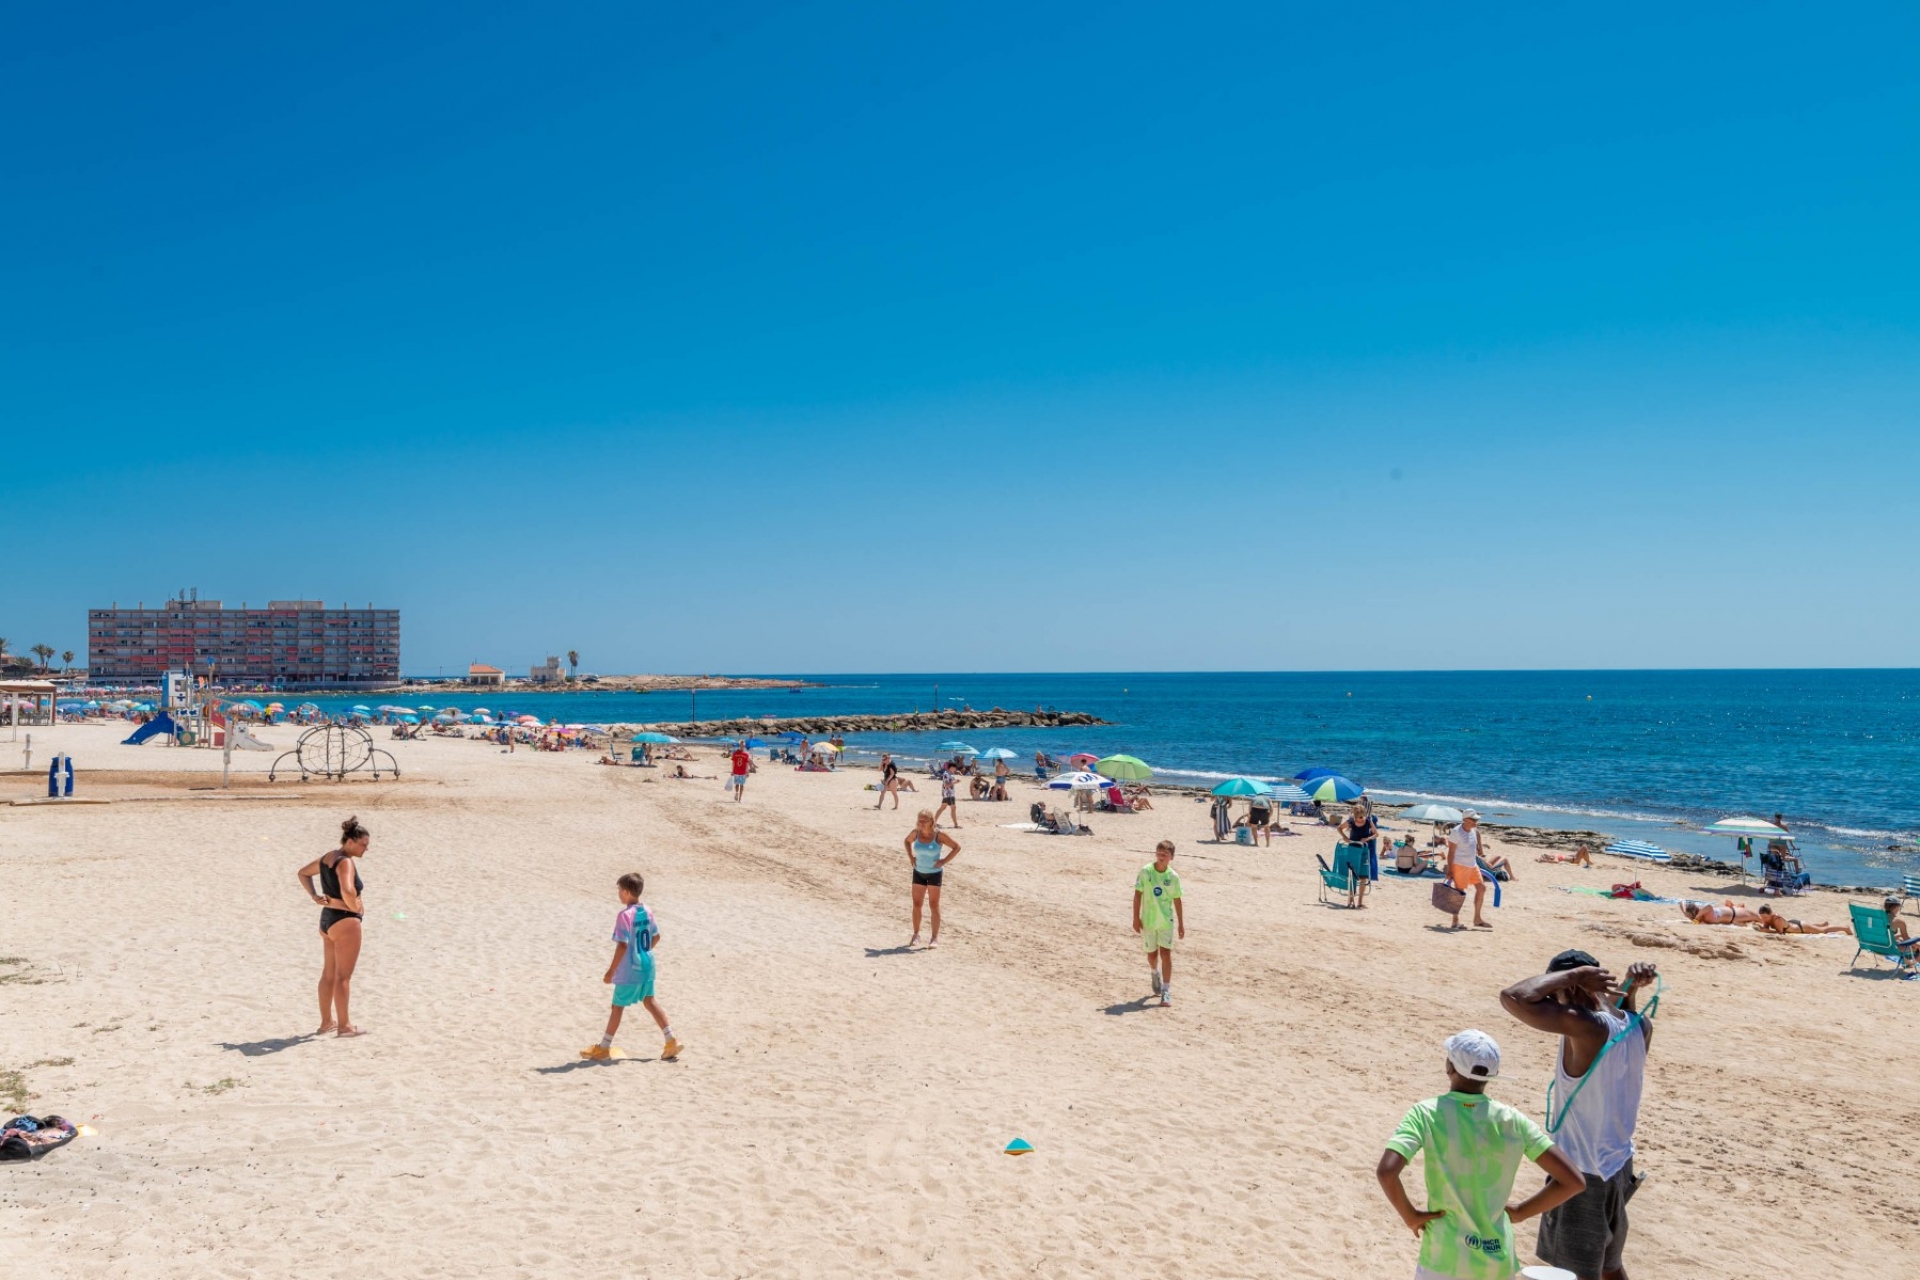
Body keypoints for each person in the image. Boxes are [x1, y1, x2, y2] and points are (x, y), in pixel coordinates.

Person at [1377, 1029, 1586, 1280]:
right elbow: (1573, 1181)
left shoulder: (1426, 1114)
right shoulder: (1513, 1120)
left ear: (1449, 1067)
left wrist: (1410, 1216)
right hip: (1497, 1262)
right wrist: (1521, 1211)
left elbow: (1387, 1172)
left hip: (1444, 1259)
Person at [1500, 951, 1658, 1280]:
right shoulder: (1640, 1025)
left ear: (1573, 991)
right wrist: (1629, 991)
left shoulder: (1586, 1025)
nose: (1555, 1004)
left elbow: (1514, 997)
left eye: (1556, 995)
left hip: (1583, 1172)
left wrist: (1574, 976)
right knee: (1609, 1265)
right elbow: (1619, 1032)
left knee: (1575, 1272)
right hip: (1618, 1165)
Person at [581, 872, 682, 1061]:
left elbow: (622, 944)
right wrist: (643, 951)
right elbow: (656, 936)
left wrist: (611, 971)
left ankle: (603, 1048)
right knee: (650, 1001)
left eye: (620, 890)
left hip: (630, 969)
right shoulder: (647, 911)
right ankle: (671, 1040)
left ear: (627, 892)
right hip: (648, 965)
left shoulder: (625, 915)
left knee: (617, 1006)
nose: (618, 893)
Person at [295, 816, 372, 1039]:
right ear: (350, 841)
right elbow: (348, 890)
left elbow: (303, 872)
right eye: (363, 845)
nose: (365, 850)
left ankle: (326, 1022)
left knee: (328, 974)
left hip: (327, 920)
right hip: (346, 922)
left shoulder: (329, 857)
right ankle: (345, 1026)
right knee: (343, 976)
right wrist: (354, 907)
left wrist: (314, 896)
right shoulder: (345, 861)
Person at [1132, 840, 1185, 1007]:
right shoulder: (1145, 872)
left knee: (1166, 954)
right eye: (1159, 853)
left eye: (1165, 854)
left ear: (1172, 857)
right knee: (1152, 955)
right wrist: (1135, 917)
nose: (1162, 857)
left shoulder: (1173, 877)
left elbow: (1177, 900)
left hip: (1165, 921)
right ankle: (1155, 972)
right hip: (1148, 920)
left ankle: (1166, 990)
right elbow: (1137, 894)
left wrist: (1181, 924)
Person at [905, 810, 960, 948]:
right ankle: (916, 934)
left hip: (934, 873)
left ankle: (934, 938)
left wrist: (943, 861)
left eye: (924, 821)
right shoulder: (915, 833)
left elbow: (956, 847)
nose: (921, 823)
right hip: (918, 872)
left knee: (934, 905)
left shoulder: (939, 836)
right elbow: (907, 841)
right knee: (917, 905)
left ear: (931, 821)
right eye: (919, 820)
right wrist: (911, 856)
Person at [1446, 811, 1491, 929]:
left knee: (1482, 888)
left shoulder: (1475, 831)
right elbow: (1450, 852)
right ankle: (1455, 921)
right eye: (1474, 820)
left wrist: (1481, 850)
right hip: (1459, 865)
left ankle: (1477, 919)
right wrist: (1450, 870)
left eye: (1476, 820)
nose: (1476, 822)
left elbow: (1475, 847)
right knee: (1459, 893)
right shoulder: (1456, 832)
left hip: (1473, 865)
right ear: (1466, 820)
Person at [1339, 802, 1379, 906]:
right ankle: (1351, 898)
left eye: (1363, 816)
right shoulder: (1351, 822)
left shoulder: (1368, 821)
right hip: (1352, 849)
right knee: (1352, 875)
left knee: (1363, 876)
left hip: (1364, 850)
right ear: (1355, 816)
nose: (1362, 818)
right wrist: (1344, 837)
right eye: (1360, 817)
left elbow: (1376, 834)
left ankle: (1360, 901)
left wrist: (1368, 838)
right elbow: (1339, 828)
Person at [1751, 905, 1850, 935]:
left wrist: (1767, 931)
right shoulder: (1766, 918)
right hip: (1792, 924)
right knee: (1815, 927)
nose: (1763, 919)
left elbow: (1780, 933)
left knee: (1823, 931)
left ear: (1770, 914)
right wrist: (1761, 928)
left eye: (1764, 917)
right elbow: (1765, 927)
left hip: (1801, 928)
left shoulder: (1776, 919)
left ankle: (1845, 928)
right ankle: (1822, 923)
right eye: (1762, 917)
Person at [1679, 899, 1763, 925]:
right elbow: (1682, 901)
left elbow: (1709, 907)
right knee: (1757, 918)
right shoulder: (1704, 916)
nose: (1690, 919)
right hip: (1734, 915)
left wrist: (1685, 912)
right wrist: (1685, 912)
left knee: (1759, 917)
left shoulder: (1704, 914)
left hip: (1735, 912)